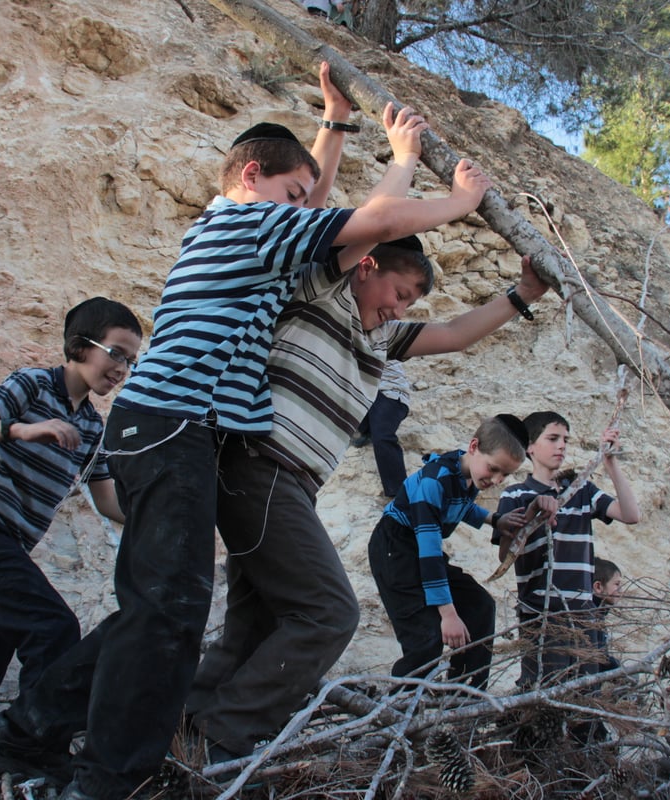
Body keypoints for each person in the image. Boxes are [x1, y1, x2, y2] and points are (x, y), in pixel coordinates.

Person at [0, 64, 497, 799]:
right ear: (251, 179)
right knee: (168, 609)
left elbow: (315, 206)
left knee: (163, 607)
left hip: (183, 430)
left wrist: (335, 123)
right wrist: (435, 181)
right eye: (291, 196)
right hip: (170, 423)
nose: (303, 208)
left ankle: (28, 736)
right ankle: (99, 775)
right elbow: (369, 223)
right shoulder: (243, 223)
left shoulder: (260, 238)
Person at [187, 233, 552, 759]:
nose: (399, 307)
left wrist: (523, 295)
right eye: (398, 292)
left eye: (410, 303)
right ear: (364, 267)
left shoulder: (383, 337)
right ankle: (223, 736)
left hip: (293, 485)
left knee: (257, 620)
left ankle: (188, 725)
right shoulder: (322, 294)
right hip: (264, 468)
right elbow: (356, 227)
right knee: (332, 612)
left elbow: (452, 333)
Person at [0, 298, 138, 768]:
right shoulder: (32, 384)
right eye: (117, 352)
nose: (122, 368)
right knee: (54, 628)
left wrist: (161, 518)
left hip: (6, 544)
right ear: (80, 346)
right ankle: (34, 746)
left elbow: (106, 500)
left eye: (131, 360)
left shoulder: (93, 426)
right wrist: (21, 430)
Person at [369, 415, 555, 689]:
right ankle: (398, 708)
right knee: (427, 637)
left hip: (420, 548)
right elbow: (429, 553)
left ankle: (463, 697)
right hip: (395, 549)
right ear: (474, 446)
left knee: (480, 607)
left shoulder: (466, 472)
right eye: (493, 469)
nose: (496, 479)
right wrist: (448, 614)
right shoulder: (433, 482)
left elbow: (459, 506)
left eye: (505, 474)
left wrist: (494, 520)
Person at [494, 412, 640, 687]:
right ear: (530, 447)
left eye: (565, 440)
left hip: (584, 614)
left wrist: (611, 463)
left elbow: (631, 515)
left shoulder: (581, 491)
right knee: (543, 692)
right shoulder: (515, 495)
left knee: (587, 694)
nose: (561, 445)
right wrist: (531, 514)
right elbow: (505, 557)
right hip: (540, 614)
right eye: (552, 438)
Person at [352, 359, 412, 498]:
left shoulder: (378, 341)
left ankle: (399, 494)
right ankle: (362, 433)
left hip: (389, 393)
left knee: (382, 436)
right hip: (367, 397)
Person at [590, 557, 623, 672]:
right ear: (598, 587)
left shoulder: (598, 614)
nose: (620, 590)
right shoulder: (589, 617)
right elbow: (596, 658)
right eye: (616, 584)